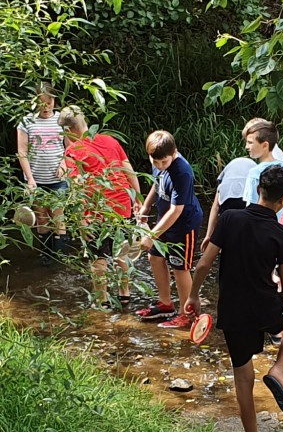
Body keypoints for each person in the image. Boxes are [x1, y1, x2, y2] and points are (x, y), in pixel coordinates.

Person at [185, 165, 283, 432]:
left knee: (243, 379)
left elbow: (203, 265)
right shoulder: (281, 235)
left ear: (259, 190)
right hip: (266, 309)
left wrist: (192, 295)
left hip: (232, 313)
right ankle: (280, 369)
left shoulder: (230, 218)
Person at [58, 106, 142, 309]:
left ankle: (103, 302)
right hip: (122, 205)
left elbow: (77, 188)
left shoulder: (73, 151)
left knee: (98, 260)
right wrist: (138, 199)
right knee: (121, 253)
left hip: (97, 211)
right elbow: (128, 170)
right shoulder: (111, 140)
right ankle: (125, 294)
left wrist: (81, 221)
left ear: (69, 130)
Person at [136, 131, 203, 328]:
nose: (159, 166)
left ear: (174, 153)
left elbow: (176, 210)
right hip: (164, 219)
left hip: (184, 224)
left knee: (180, 268)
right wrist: (146, 206)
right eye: (155, 162)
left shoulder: (182, 171)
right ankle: (166, 303)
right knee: (154, 257)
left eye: (163, 162)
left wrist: (151, 234)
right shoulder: (158, 160)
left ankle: (186, 313)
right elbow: (156, 184)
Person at [16, 82, 69, 263]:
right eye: (41, 102)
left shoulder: (61, 120)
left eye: (49, 102)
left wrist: (64, 163)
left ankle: (60, 257)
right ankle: (46, 256)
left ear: (54, 100)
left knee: (58, 216)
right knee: (41, 217)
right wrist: (30, 179)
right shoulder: (26, 122)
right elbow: (22, 152)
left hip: (58, 179)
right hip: (37, 179)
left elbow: (71, 148)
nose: (46, 107)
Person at [200, 156, 256, 252]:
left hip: (230, 199)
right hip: (247, 197)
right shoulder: (253, 173)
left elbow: (215, 207)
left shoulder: (224, 181)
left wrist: (209, 235)